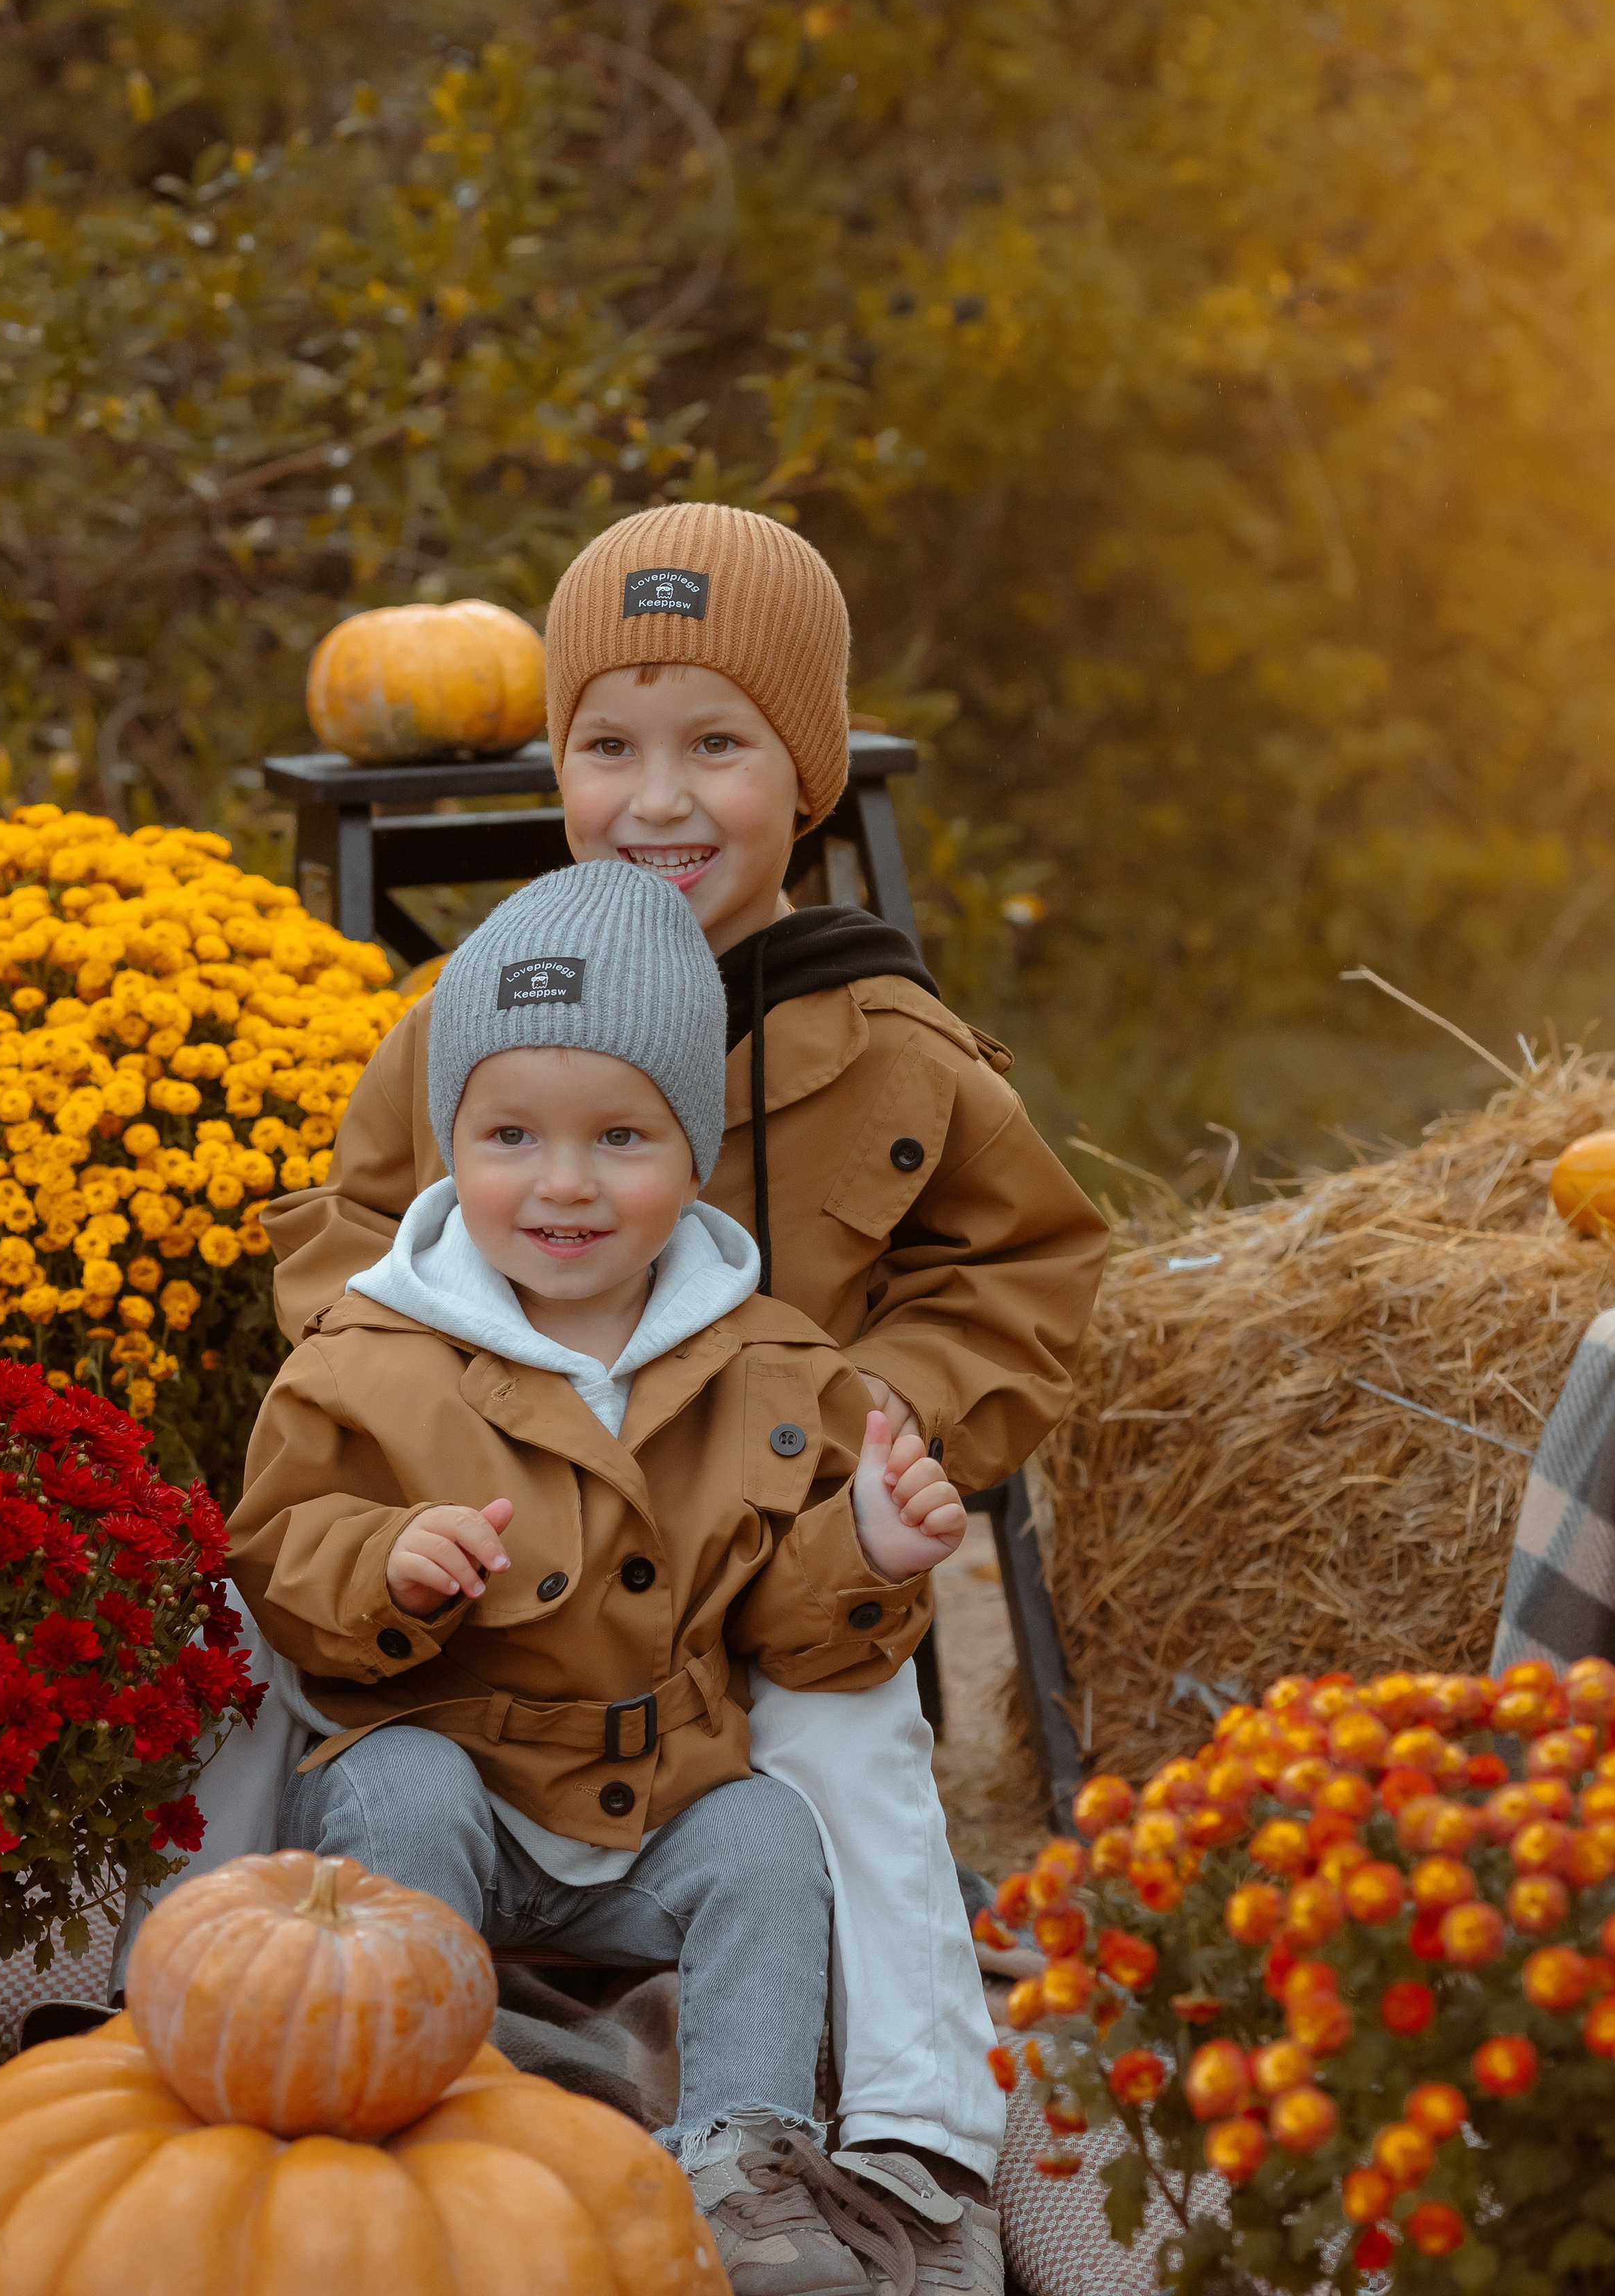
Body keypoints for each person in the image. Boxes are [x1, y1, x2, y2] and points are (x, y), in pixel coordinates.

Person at [265, 501, 1109, 2283]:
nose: (659, 800)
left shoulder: (885, 1042)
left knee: (842, 1740)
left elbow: (1018, 1268)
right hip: (529, 1567)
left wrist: (866, 1426)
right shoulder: (476, 1016)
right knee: (374, 1753)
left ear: (806, 771)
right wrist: (434, 1400)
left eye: (717, 745)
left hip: (776, 1562)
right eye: (609, 747)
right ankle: (415, 2068)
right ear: (555, 762)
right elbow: (355, 1234)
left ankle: (913, 2134)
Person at [231, 860, 967, 2296]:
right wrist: (384, 1563)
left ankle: (742, 2163)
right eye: (510, 1135)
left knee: (765, 1837)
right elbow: (274, 1552)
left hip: (656, 1799)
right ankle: (410, 2124)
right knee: (405, 1790)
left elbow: (783, 1624)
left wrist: (867, 1552)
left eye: (620, 1138)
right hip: (447, 1773)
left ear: (692, 1154)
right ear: (450, 1143)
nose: (562, 1183)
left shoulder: (771, 1365)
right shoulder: (367, 1358)